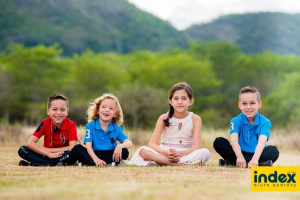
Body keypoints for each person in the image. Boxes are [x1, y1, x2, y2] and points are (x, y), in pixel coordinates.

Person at [122, 82, 211, 166]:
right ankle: (179, 164)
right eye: (176, 98)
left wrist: (179, 154)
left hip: (185, 153)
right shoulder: (164, 118)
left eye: (184, 98)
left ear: (191, 101)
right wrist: (165, 152)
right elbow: (152, 144)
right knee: (142, 151)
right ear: (170, 101)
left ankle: (162, 162)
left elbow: (196, 146)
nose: (180, 102)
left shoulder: (195, 119)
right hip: (164, 153)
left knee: (205, 152)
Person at [213, 86, 279, 168]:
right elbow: (233, 140)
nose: (248, 107)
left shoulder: (265, 122)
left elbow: (262, 142)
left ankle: (234, 163)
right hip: (238, 153)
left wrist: (255, 159)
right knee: (218, 142)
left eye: (252, 103)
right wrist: (240, 157)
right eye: (244, 103)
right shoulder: (235, 120)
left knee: (274, 151)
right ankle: (258, 164)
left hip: (257, 154)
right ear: (239, 105)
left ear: (259, 104)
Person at [70, 93, 132, 167]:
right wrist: (96, 159)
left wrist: (119, 146)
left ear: (115, 114)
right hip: (93, 154)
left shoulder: (117, 128)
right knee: (77, 148)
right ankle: (95, 162)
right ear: (98, 110)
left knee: (124, 151)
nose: (106, 110)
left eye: (111, 108)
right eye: (103, 107)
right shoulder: (90, 126)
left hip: (109, 154)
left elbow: (129, 143)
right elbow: (88, 146)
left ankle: (92, 163)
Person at [18, 93, 78, 166]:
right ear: (48, 111)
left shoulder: (71, 125)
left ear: (67, 112)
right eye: (54, 109)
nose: (58, 113)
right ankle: (51, 164)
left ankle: (36, 163)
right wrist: (47, 153)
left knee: (71, 155)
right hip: (46, 155)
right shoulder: (45, 123)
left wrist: (51, 150)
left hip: (62, 155)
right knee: (22, 149)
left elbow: (72, 147)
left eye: (62, 110)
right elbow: (30, 143)